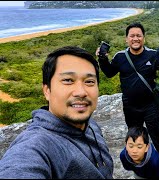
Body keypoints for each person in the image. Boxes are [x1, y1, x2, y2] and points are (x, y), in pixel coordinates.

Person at [0, 46, 114, 179]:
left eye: (89, 82)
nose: (81, 92)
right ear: (47, 90)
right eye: (68, 80)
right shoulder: (37, 144)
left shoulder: (91, 125)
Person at [96, 22, 159, 170]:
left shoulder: (152, 55)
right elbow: (109, 73)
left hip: (150, 104)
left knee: (157, 132)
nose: (135, 38)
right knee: (135, 134)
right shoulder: (120, 57)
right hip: (130, 105)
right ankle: (139, 158)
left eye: (138, 36)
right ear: (126, 39)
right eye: (132, 36)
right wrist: (102, 59)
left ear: (143, 38)